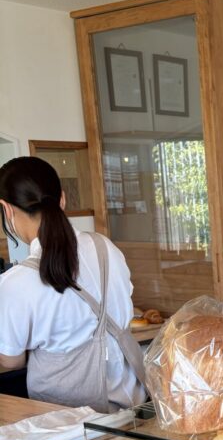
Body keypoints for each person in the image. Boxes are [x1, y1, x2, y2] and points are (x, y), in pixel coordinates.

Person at [0, 156, 145, 411]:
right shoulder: (105, 247)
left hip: (70, 419)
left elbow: (11, 361)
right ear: (62, 199)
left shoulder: (16, 283)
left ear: (7, 209)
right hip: (134, 403)